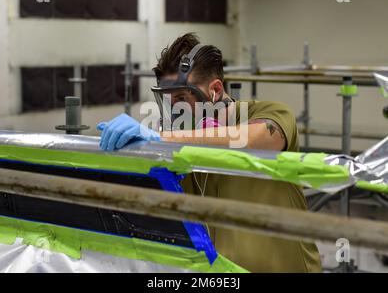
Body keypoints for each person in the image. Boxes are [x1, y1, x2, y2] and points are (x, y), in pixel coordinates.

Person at [97, 33, 322, 272]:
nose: (175, 110)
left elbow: (262, 138)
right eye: (169, 101)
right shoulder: (183, 142)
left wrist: (162, 139)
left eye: (182, 98)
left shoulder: (270, 112)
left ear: (214, 90)